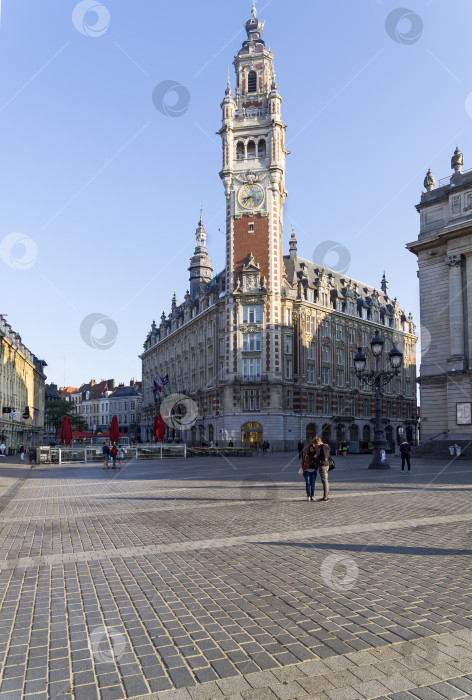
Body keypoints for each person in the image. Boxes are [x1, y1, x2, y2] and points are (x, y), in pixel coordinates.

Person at [314, 437, 330, 502]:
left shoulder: (323, 447)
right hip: (326, 465)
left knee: (324, 481)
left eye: (316, 445)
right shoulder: (326, 446)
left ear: (318, 442)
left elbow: (325, 457)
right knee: (326, 481)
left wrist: (317, 456)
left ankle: (325, 497)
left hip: (323, 465)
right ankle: (326, 495)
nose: (316, 446)